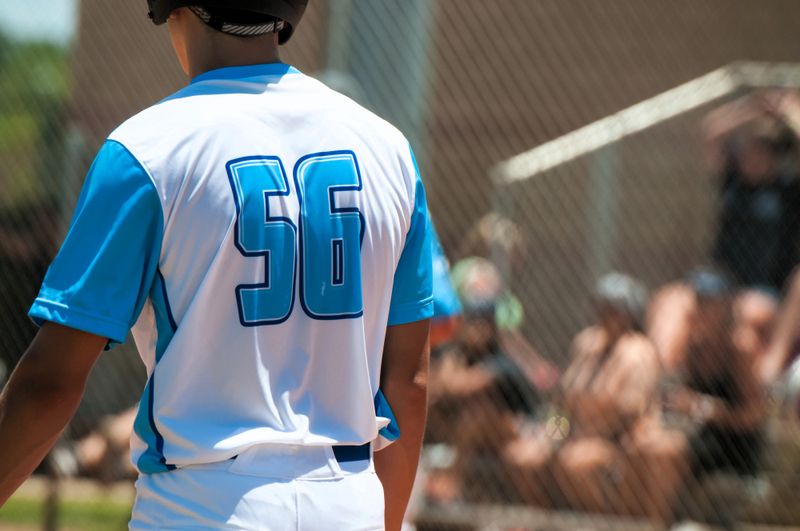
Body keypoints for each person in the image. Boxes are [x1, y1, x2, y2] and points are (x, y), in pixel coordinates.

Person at [0, 2, 434, 530]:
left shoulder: (145, 149)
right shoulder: (388, 149)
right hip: (349, 498)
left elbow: (50, 383)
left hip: (204, 503)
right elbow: (408, 380)